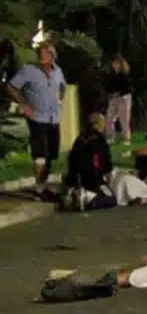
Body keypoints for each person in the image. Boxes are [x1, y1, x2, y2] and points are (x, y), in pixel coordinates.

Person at [7, 43, 65, 200]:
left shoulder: (57, 71)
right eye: (40, 53)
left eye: (45, 53)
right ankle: (39, 189)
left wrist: (60, 100)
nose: (41, 56)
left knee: (52, 154)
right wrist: (23, 105)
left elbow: (62, 87)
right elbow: (11, 87)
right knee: (40, 153)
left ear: (52, 56)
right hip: (37, 117)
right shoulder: (29, 70)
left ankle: (43, 185)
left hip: (54, 118)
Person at [62, 112, 117, 210]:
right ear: (98, 124)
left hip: (74, 178)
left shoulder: (80, 139)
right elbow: (107, 168)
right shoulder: (100, 142)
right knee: (112, 200)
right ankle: (89, 200)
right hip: (92, 181)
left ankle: (74, 193)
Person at [103, 56, 133, 142]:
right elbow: (108, 87)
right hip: (114, 98)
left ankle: (126, 139)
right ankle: (111, 137)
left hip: (124, 99)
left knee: (124, 120)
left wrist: (118, 92)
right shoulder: (112, 75)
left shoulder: (124, 75)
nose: (115, 65)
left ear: (121, 64)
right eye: (114, 63)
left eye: (117, 63)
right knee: (109, 118)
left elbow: (127, 89)